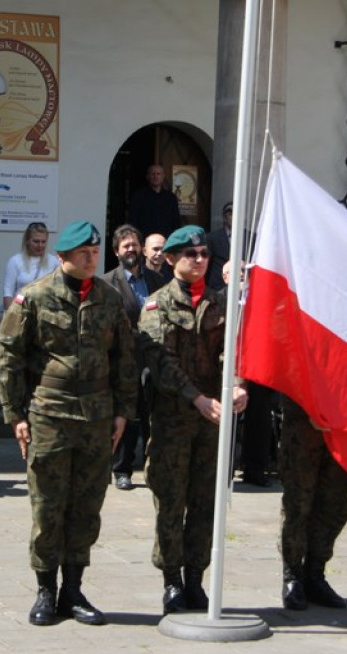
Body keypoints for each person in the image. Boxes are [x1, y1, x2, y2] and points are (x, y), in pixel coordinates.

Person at [0, 220, 137, 627]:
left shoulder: (109, 299)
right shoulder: (34, 298)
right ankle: (45, 590)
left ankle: (73, 590)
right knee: (48, 506)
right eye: (83, 253)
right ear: (63, 257)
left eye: (95, 252)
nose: (92, 259)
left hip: (97, 416)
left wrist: (124, 411)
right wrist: (16, 415)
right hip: (50, 414)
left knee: (86, 506)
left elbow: (125, 359)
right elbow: (8, 359)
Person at [138, 225, 248, 615]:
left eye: (203, 253)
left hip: (212, 420)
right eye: (190, 254)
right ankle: (171, 581)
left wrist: (236, 385)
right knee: (171, 501)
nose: (199, 260)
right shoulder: (156, 304)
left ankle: (196, 579)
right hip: (174, 418)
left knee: (205, 502)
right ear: (170, 260)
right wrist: (197, 398)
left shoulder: (221, 303)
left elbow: (235, 350)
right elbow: (160, 362)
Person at [101, 224, 165, 490]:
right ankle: (122, 469)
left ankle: (154, 468)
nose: (131, 249)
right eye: (126, 246)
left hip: (153, 358)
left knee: (154, 414)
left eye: (135, 245)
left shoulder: (157, 280)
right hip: (124, 358)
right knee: (127, 413)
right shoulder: (107, 283)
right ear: (117, 252)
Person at [277, 396, 347, 610]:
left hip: (343, 419)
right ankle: (292, 576)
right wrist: (310, 406)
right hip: (302, 422)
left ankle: (315, 575)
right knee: (298, 504)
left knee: (334, 504)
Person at [0, 222, 59, 310]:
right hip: (20, 309)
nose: (40, 245)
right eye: (36, 241)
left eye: (43, 242)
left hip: (45, 312)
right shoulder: (15, 261)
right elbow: (8, 292)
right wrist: (10, 316)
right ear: (27, 241)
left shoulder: (54, 261)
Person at [128, 164, 181, 238]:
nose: (155, 176)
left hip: (166, 240)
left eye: (158, 174)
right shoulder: (139, 196)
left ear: (163, 176)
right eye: (153, 174)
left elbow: (176, 221)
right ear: (148, 177)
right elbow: (133, 220)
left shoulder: (171, 198)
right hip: (145, 239)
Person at [207, 202, 234, 290]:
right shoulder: (213, 237)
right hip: (218, 286)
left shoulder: (249, 237)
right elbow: (207, 264)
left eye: (237, 212)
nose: (234, 216)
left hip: (242, 285)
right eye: (230, 214)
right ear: (225, 218)